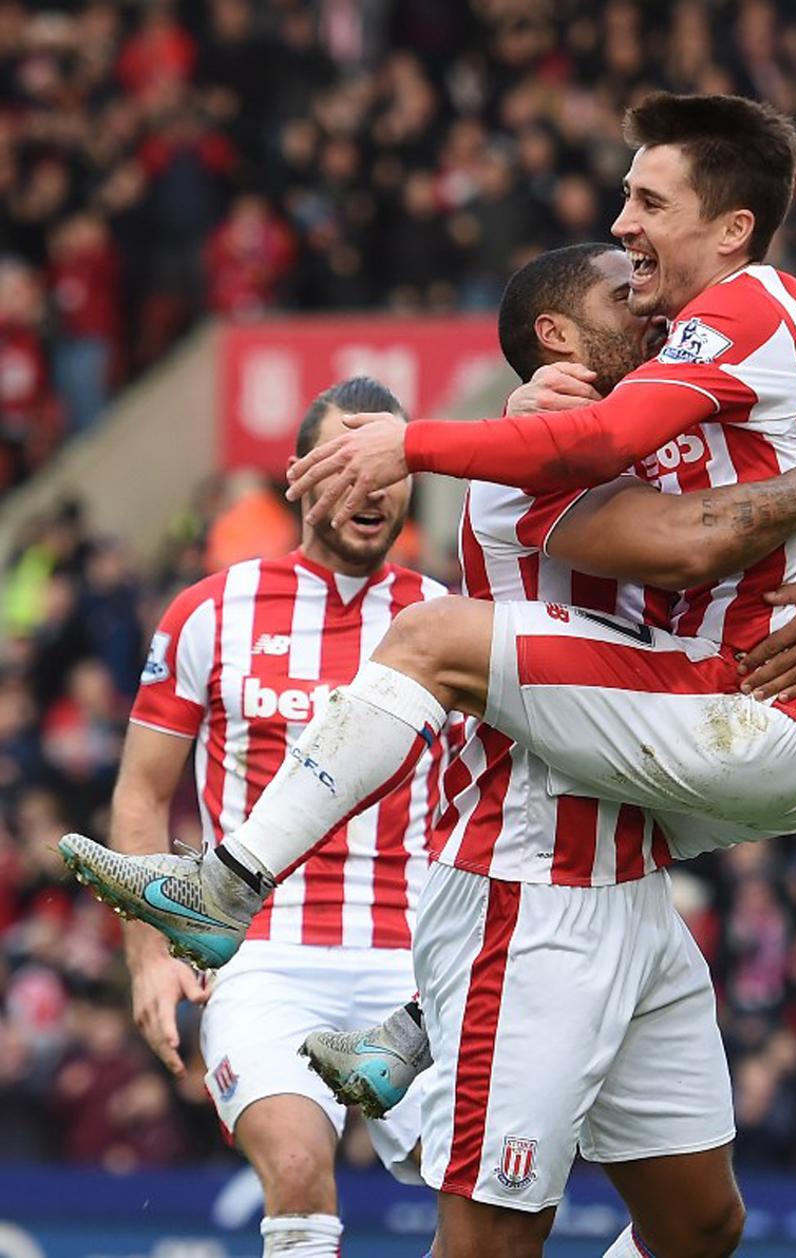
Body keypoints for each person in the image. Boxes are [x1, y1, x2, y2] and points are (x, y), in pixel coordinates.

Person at [61, 235, 796, 1258]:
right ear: (555, 337)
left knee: (702, 1224)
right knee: (471, 1227)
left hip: (620, 870)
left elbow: (766, 560)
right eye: (617, 291)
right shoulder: (533, 464)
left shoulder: (648, 438)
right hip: (528, 875)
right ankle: (228, 887)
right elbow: (694, 545)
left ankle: (408, 1019)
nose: (646, 303)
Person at [104, 376, 457, 1258]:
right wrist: (150, 956)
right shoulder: (209, 611)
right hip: (265, 958)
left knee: (485, 1202)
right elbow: (143, 791)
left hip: (418, 967)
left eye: (392, 468)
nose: (373, 488)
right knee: (299, 1166)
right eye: (347, 465)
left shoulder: (448, 623)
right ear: (298, 474)